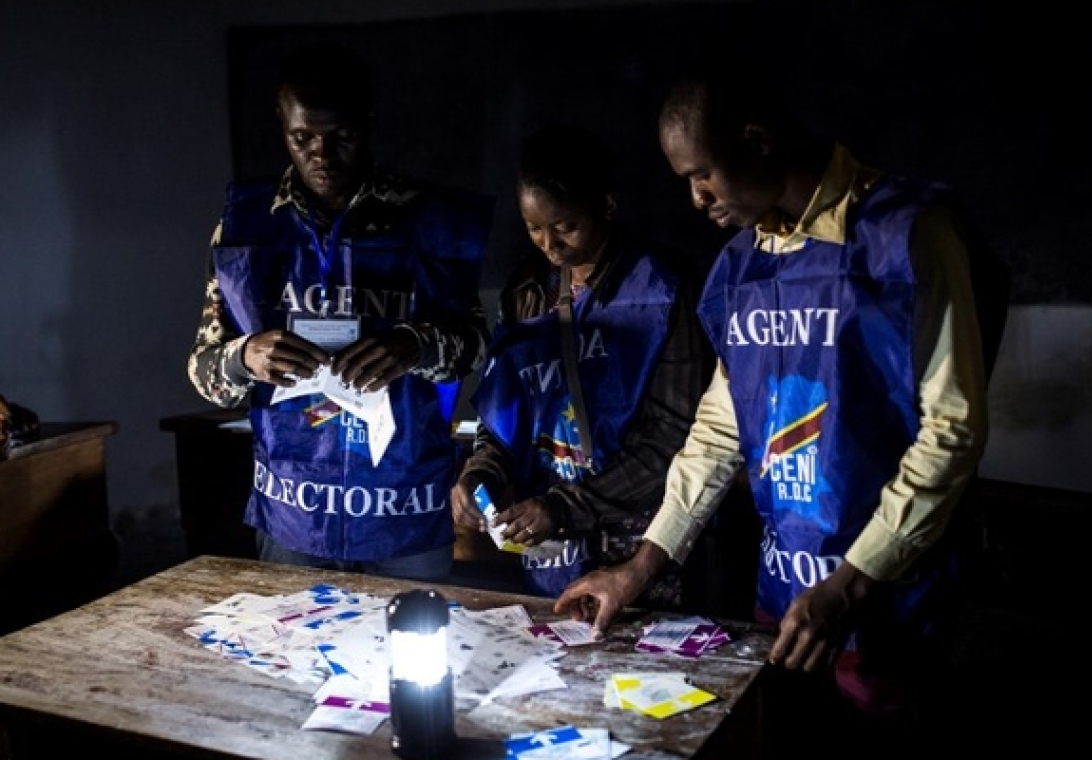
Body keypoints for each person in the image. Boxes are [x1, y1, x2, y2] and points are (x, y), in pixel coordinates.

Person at [553, 60, 1009, 750]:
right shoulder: (740, 266)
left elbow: (952, 429)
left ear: (758, 140)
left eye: (701, 174)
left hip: (890, 609)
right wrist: (638, 567)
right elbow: (717, 430)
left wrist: (851, 587)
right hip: (787, 603)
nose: (696, 199)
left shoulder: (906, 234)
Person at [187, 41, 493, 582]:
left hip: (403, 513)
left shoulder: (427, 221)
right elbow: (205, 371)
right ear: (281, 127)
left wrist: (415, 345)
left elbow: (475, 343)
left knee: (412, 658)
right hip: (294, 514)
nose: (322, 157)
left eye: (341, 137)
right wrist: (244, 357)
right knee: (293, 657)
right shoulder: (246, 228)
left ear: (367, 124)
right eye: (302, 139)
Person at [450, 123, 716, 602]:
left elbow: (674, 436)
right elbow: (502, 417)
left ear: (606, 207)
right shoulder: (528, 294)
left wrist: (567, 504)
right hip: (551, 541)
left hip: (640, 543)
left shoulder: (661, 291)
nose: (551, 247)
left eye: (566, 226)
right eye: (534, 228)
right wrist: (480, 474)